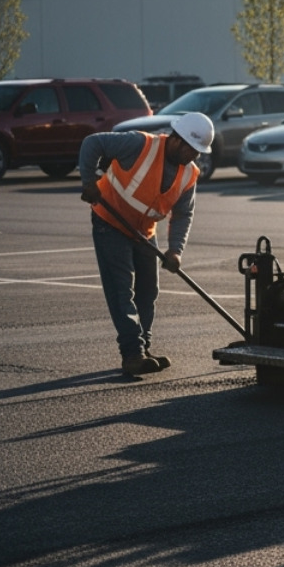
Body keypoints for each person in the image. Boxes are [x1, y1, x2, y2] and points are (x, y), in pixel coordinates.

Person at [78, 114, 213, 377]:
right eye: (191, 150)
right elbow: (92, 143)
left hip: (143, 231)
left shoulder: (189, 174)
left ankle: (144, 347)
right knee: (121, 289)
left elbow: (183, 214)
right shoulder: (140, 144)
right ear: (176, 140)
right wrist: (88, 182)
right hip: (110, 222)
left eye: (198, 152)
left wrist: (176, 250)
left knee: (148, 290)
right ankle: (132, 353)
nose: (194, 157)